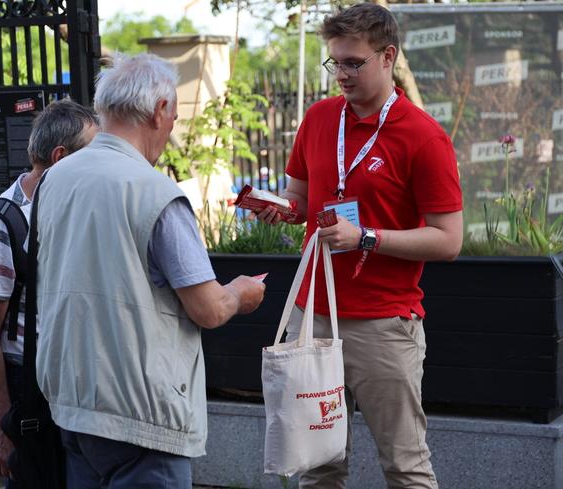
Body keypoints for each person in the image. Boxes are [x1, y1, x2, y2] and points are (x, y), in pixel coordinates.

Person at [34, 52, 266, 488]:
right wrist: (240, 292)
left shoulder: (56, 178)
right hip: (142, 414)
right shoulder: (155, 192)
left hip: (72, 400)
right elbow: (209, 309)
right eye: (176, 118)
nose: (171, 129)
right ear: (160, 112)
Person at [257, 4, 463, 489]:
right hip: (315, 315)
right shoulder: (319, 117)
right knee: (317, 464)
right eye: (335, 63)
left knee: (405, 466)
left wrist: (367, 236)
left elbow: (449, 240)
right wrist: (278, 208)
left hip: (383, 325)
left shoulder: (423, 137)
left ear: (387, 56)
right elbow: (300, 200)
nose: (341, 75)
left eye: (354, 63)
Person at [0, 99, 99, 487]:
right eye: (92, 155)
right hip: (30, 397)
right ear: (60, 158)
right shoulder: (2, 224)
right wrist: (2, 431)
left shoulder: (74, 208)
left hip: (73, 391)